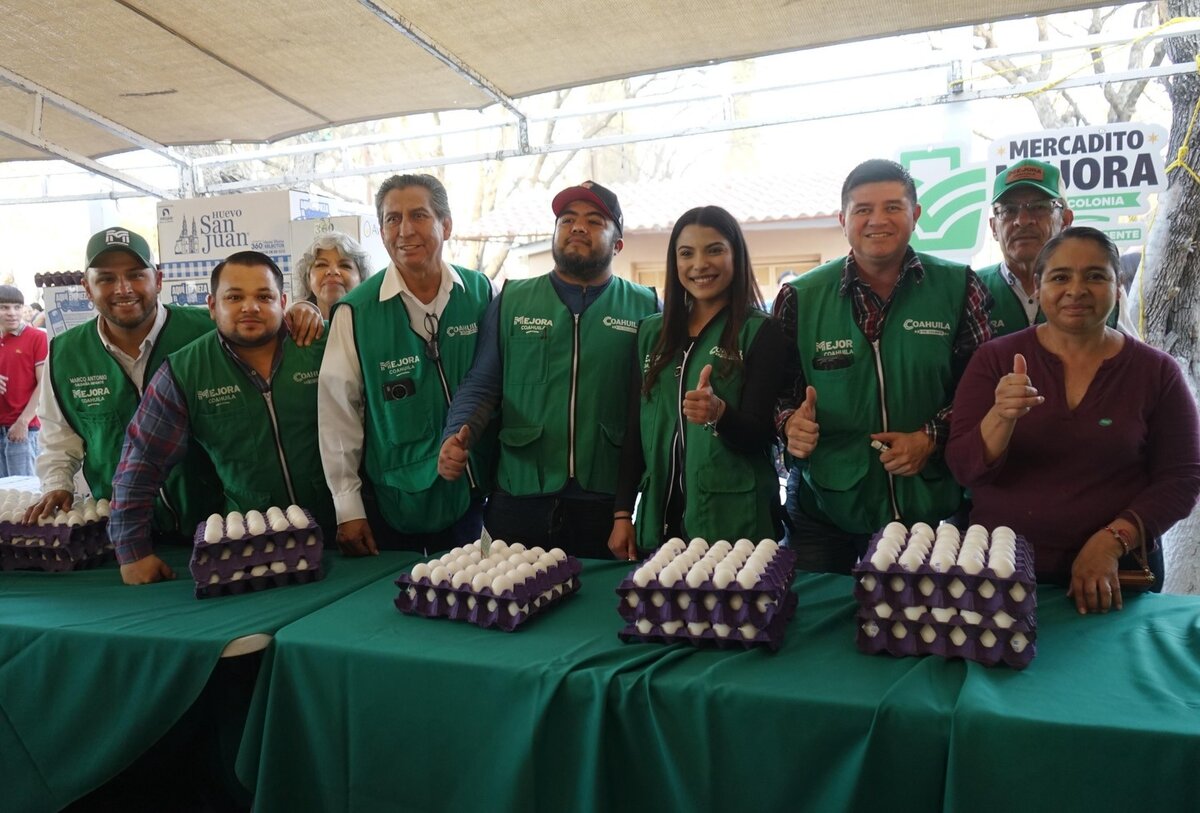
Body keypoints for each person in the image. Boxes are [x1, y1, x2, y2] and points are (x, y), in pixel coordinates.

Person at [946, 226, 1200, 614]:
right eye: (1060, 277)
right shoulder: (994, 360)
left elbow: (1182, 479)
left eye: (1095, 276)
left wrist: (1111, 542)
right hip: (1003, 577)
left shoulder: (1157, 372)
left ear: (1118, 286)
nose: (1076, 290)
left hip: (1116, 579)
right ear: (1038, 286)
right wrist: (1000, 416)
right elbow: (964, 468)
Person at [774, 159, 993, 574]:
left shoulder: (960, 286)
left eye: (893, 207)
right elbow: (777, 391)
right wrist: (789, 424)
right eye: (863, 210)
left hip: (928, 505)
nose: (878, 220)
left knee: (918, 612)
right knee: (816, 608)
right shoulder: (800, 296)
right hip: (825, 505)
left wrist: (930, 437)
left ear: (916, 214)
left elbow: (980, 389)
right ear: (843, 220)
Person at [439, 181, 658, 559]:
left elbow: (656, 405)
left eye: (595, 221)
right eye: (567, 219)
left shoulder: (646, 307)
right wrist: (456, 435)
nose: (577, 227)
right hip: (517, 495)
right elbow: (482, 383)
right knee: (501, 590)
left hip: (606, 501)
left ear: (618, 244)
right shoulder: (511, 300)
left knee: (600, 596)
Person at [109, 251, 333, 585]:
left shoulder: (322, 345)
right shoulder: (185, 371)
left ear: (283, 302)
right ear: (212, 306)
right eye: (234, 297)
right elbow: (142, 462)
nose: (250, 307)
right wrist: (132, 551)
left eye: (264, 297)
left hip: (347, 533)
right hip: (253, 550)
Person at [319, 174, 496, 555]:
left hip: (475, 494)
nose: (405, 231)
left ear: (445, 226)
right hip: (395, 502)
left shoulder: (482, 293)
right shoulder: (355, 312)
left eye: (418, 215)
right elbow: (338, 415)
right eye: (392, 219)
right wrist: (348, 507)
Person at [608, 206, 786, 559]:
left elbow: (762, 435)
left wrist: (720, 414)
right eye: (686, 253)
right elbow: (634, 430)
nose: (699, 264)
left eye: (714, 250)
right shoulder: (651, 333)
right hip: (660, 521)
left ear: (735, 255)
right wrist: (622, 512)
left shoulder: (762, 331)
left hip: (734, 527)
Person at [978, 158, 1138, 337]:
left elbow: (1129, 351)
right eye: (1009, 210)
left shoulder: (1101, 287)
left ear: (1065, 221)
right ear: (993, 227)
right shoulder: (972, 289)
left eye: (1039, 207)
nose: (1022, 220)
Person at [0, 285, 47, 476]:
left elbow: (44, 384)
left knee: (24, 490)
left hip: (23, 431)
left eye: (17, 307)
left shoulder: (37, 337)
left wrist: (23, 422)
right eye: (4, 307)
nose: (12, 313)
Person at [294, 231, 373, 318]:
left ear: (362, 279)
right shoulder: (292, 324)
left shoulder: (373, 322)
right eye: (321, 265)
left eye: (345, 265)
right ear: (308, 279)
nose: (332, 271)